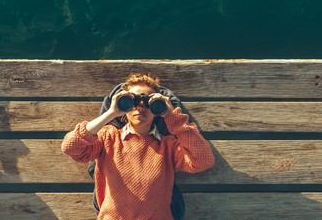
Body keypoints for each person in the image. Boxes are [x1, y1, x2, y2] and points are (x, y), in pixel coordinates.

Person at [61, 73, 215, 219]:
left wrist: (172, 116)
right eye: (132, 101)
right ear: (123, 106)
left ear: (157, 111)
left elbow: (203, 160)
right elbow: (70, 146)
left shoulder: (168, 146)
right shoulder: (108, 137)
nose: (141, 107)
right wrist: (110, 113)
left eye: (149, 102)